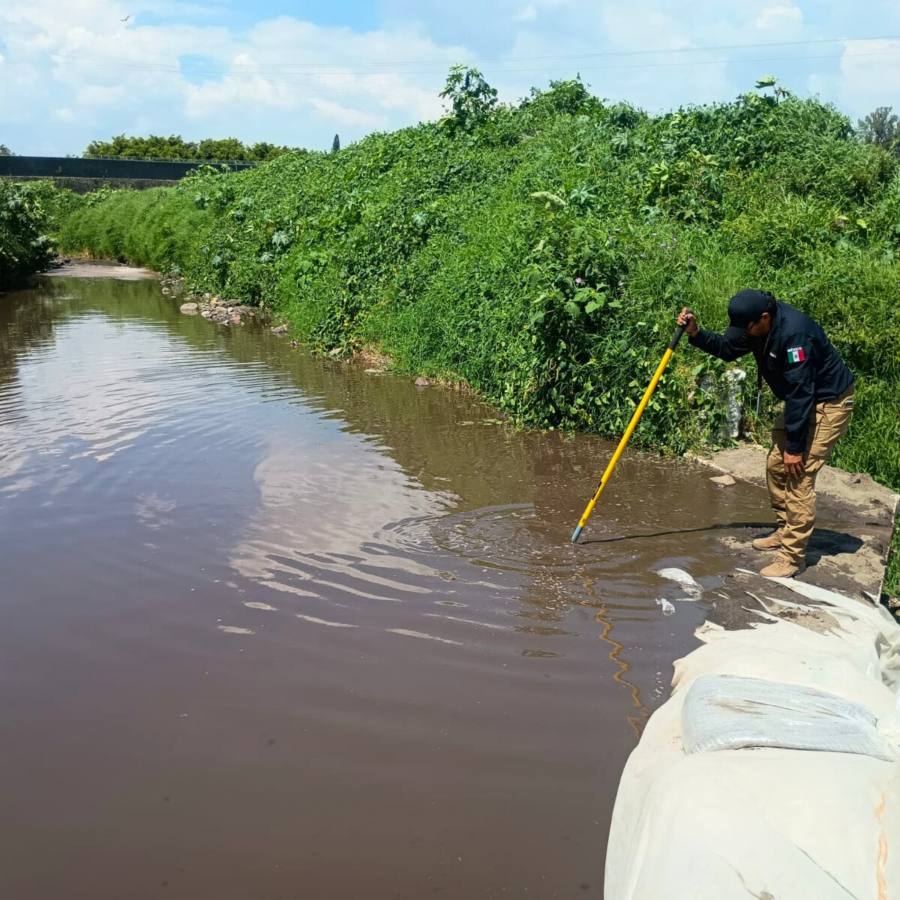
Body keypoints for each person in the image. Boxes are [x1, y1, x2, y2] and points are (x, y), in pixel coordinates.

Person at [679, 290, 855, 578]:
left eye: (747, 328)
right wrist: (696, 333)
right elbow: (727, 348)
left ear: (765, 317)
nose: (745, 334)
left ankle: (792, 557)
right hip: (803, 400)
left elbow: (801, 392)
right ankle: (785, 529)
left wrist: (795, 447)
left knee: (798, 474)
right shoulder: (758, 326)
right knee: (775, 465)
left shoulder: (796, 335)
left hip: (828, 403)